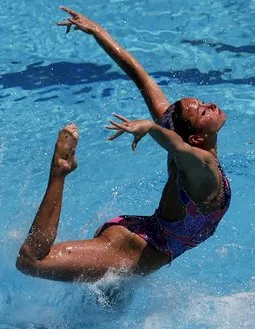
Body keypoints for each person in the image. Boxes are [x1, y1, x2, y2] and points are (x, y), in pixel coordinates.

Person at [16, 7, 231, 282]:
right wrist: (152, 127)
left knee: (101, 313)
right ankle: (61, 170)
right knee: (31, 262)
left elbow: (141, 76)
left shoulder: (183, 139)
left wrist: (97, 31)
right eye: (202, 110)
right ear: (197, 138)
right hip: (133, 250)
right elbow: (180, 148)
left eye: (202, 106)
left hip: (141, 234)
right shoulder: (204, 167)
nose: (209, 104)